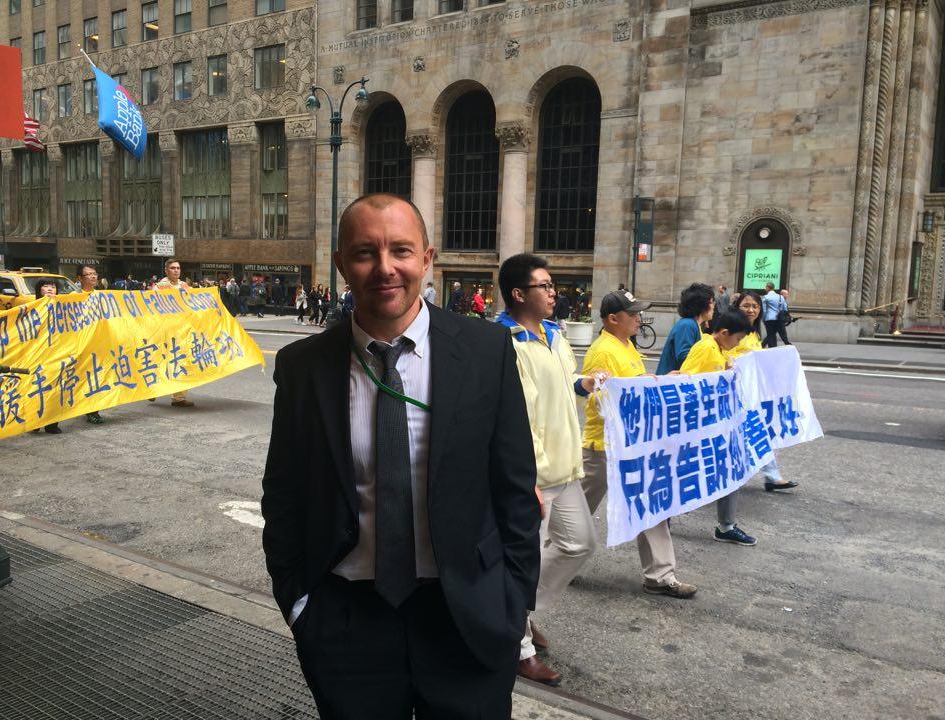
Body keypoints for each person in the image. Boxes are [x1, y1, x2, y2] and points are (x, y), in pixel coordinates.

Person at [262, 193, 540, 720]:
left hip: (467, 617)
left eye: (402, 251)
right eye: (365, 253)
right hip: (346, 622)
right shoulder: (304, 366)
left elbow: (515, 489)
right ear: (342, 264)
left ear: (427, 259)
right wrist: (300, 604)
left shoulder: (486, 352)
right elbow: (285, 493)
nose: (385, 268)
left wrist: (513, 599)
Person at [496, 253, 600, 687]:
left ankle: (524, 613)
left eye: (553, 285)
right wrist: (528, 478)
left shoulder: (555, 335)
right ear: (519, 294)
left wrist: (586, 385)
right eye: (546, 286)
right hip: (534, 477)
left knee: (579, 544)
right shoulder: (506, 341)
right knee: (522, 562)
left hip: (566, 468)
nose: (555, 292)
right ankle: (517, 647)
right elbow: (516, 417)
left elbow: (565, 382)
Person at [580, 290, 697, 598]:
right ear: (612, 319)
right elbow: (599, 402)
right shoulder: (603, 351)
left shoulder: (625, 344)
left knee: (652, 504)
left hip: (632, 445)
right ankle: (543, 562)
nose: (638, 318)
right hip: (603, 448)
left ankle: (660, 575)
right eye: (633, 314)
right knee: (576, 512)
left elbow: (632, 384)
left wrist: (659, 381)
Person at [679, 308, 757, 546]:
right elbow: (686, 381)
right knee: (685, 474)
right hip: (699, 427)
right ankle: (662, 518)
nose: (738, 344)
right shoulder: (705, 348)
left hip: (716, 425)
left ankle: (726, 525)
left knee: (731, 469)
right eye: (737, 339)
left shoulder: (719, 349)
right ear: (724, 333)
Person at [727, 292, 799, 492]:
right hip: (734, 393)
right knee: (745, 434)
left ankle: (772, 476)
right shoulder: (731, 329)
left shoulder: (754, 333)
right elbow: (725, 354)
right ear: (737, 307)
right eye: (746, 306)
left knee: (759, 432)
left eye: (755, 306)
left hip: (750, 392)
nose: (751, 310)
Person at [155, 259, 196, 408]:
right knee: (162, 361)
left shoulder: (185, 285)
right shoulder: (159, 287)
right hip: (165, 330)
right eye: (173, 268)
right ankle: (153, 389)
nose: (176, 270)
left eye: (178, 268)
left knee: (182, 361)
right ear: (166, 270)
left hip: (182, 330)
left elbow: (191, 304)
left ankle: (179, 398)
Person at [656, 283, 715, 374]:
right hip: (671, 383)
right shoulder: (687, 325)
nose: (714, 306)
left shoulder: (693, 324)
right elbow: (684, 356)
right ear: (702, 305)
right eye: (711, 302)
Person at [30, 279, 63, 434]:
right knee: (36, 388)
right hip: (37, 355)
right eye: (46, 286)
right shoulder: (30, 308)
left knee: (55, 388)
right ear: (39, 290)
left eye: (53, 286)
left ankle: (52, 424)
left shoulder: (64, 306)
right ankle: (34, 422)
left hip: (56, 354)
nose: (50, 289)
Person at [77, 264, 105, 425]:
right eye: (89, 274)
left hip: (98, 342)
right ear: (80, 278)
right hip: (81, 344)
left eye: (95, 273)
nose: (93, 277)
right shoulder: (73, 297)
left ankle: (93, 410)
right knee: (82, 378)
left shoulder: (102, 296)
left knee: (96, 376)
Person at [761, 282, 785, 348]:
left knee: (770, 334)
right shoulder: (780, 297)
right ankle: (773, 347)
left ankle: (770, 347)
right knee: (773, 334)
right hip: (778, 319)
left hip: (769, 318)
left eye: (765, 287)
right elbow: (784, 308)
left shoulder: (766, 297)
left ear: (768, 288)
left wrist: (763, 318)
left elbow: (764, 310)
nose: (765, 288)